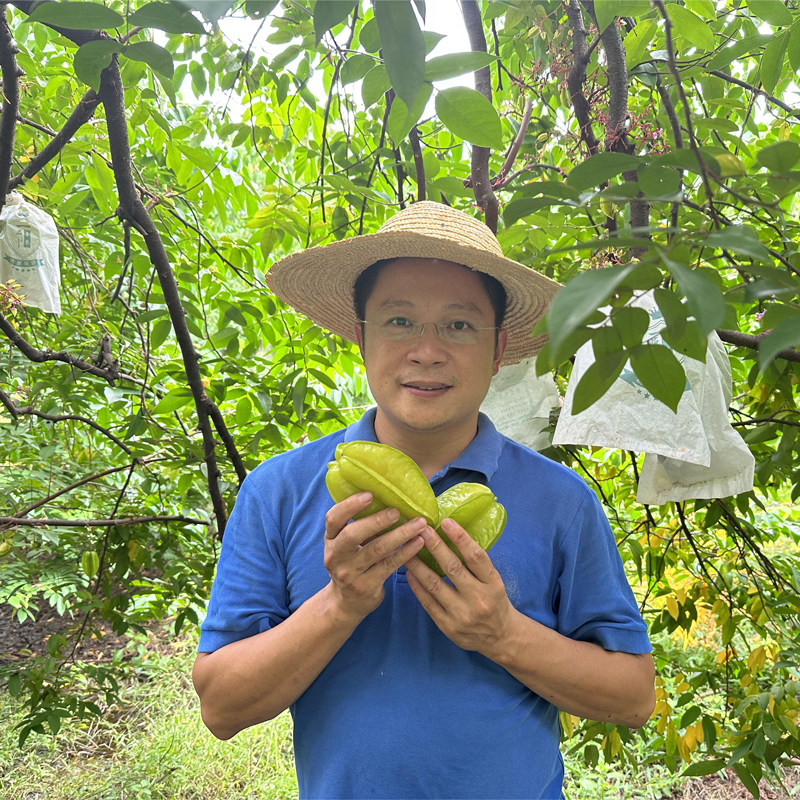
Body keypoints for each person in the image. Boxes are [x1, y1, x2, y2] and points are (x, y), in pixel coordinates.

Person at [192, 201, 655, 800]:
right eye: (399, 321)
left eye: (459, 324)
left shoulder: (563, 501)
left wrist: (502, 633)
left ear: (497, 351)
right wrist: (339, 604)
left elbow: (633, 697)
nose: (427, 351)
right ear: (361, 337)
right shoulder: (278, 490)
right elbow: (222, 708)